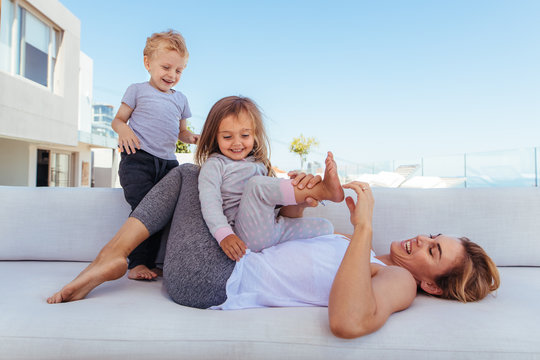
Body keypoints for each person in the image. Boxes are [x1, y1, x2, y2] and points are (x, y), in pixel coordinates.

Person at [47, 165, 500, 339]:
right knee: (211, 181)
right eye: (433, 235)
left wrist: (363, 226)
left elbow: (348, 321)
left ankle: (111, 257)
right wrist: (298, 202)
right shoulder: (363, 254)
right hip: (222, 264)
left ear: (429, 283)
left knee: (190, 173)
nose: (423, 240)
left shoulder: (398, 280)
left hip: (215, 280)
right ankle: (122, 257)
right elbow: (285, 248)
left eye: (434, 251)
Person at [195, 96, 344, 261]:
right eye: (227, 137)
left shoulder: (259, 164)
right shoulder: (215, 164)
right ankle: (324, 191)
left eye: (244, 135)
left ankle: (317, 193)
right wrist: (224, 234)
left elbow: (270, 206)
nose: (237, 143)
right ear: (215, 136)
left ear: (255, 135)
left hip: (272, 230)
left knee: (326, 226)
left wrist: (293, 192)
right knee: (256, 186)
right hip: (243, 235)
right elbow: (209, 202)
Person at [111, 29, 199, 280]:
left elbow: (182, 132)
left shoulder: (180, 99)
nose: (172, 75)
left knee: (166, 211)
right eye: (166, 67)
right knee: (145, 209)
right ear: (148, 63)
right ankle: (137, 264)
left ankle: (157, 262)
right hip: (137, 159)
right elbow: (117, 120)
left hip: (168, 164)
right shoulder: (136, 90)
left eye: (178, 71)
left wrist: (192, 138)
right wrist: (124, 129)